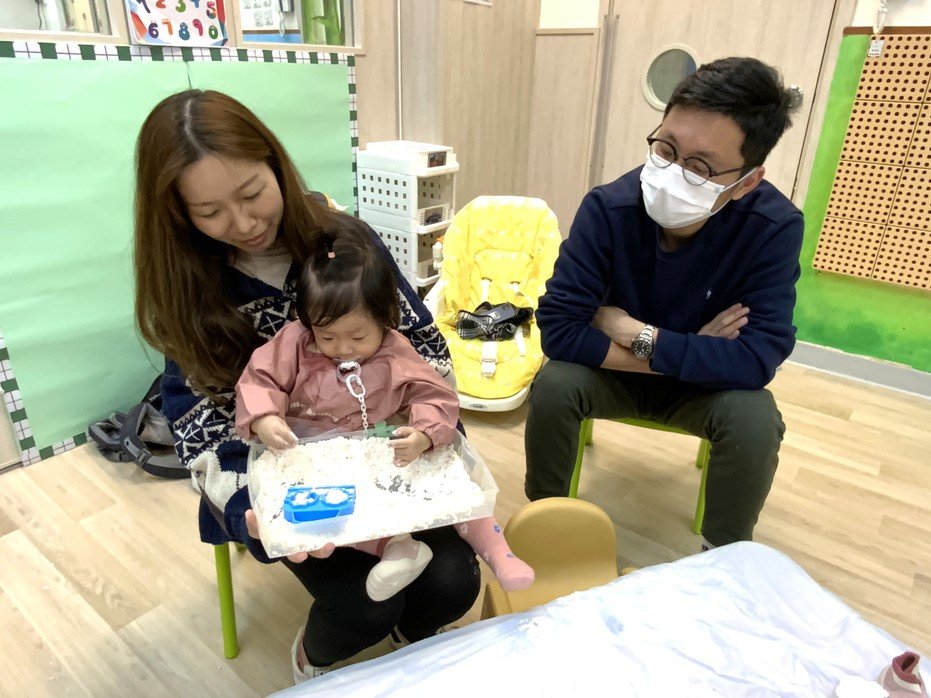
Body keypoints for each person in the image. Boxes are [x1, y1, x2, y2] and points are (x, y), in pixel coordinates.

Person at [133, 89, 480, 683]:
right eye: (210, 212)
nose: (243, 224)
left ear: (276, 165)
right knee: (362, 605)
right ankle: (313, 663)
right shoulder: (190, 290)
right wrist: (251, 502)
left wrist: (430, 435)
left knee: (453, 581)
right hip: (288, 478)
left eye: (252, 194)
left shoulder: (347, 245)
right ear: (178, 214)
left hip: (383, 455)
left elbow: (423, 354)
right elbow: (198, 424)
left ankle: (410, 645)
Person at [524, 57, 804, 549]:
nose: (672, 172)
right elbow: (560, 330)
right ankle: (543, 522)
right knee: (554, 384)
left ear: (746, 182)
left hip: (699, 389)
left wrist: (637, 333)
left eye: (699, 167)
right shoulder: (609, 207)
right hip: (621, 374)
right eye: (666, 148)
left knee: (755, 419)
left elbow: (758, 359)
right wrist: (688, 350)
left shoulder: (773, 228)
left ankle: (722, 556)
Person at [234, 223, 534, 602]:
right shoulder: (295, 344)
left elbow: (435, 395)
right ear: (307, 321)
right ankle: (391, 548)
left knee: (458, 485)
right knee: (335, 509)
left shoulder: (395, 351)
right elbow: (258, 379)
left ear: (385, 319)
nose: (343, 348)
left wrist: (423, 434)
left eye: (358, 336)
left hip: (380, 444)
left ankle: (499, 553)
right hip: (316, 454)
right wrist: (264, 417)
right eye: (327, 337)